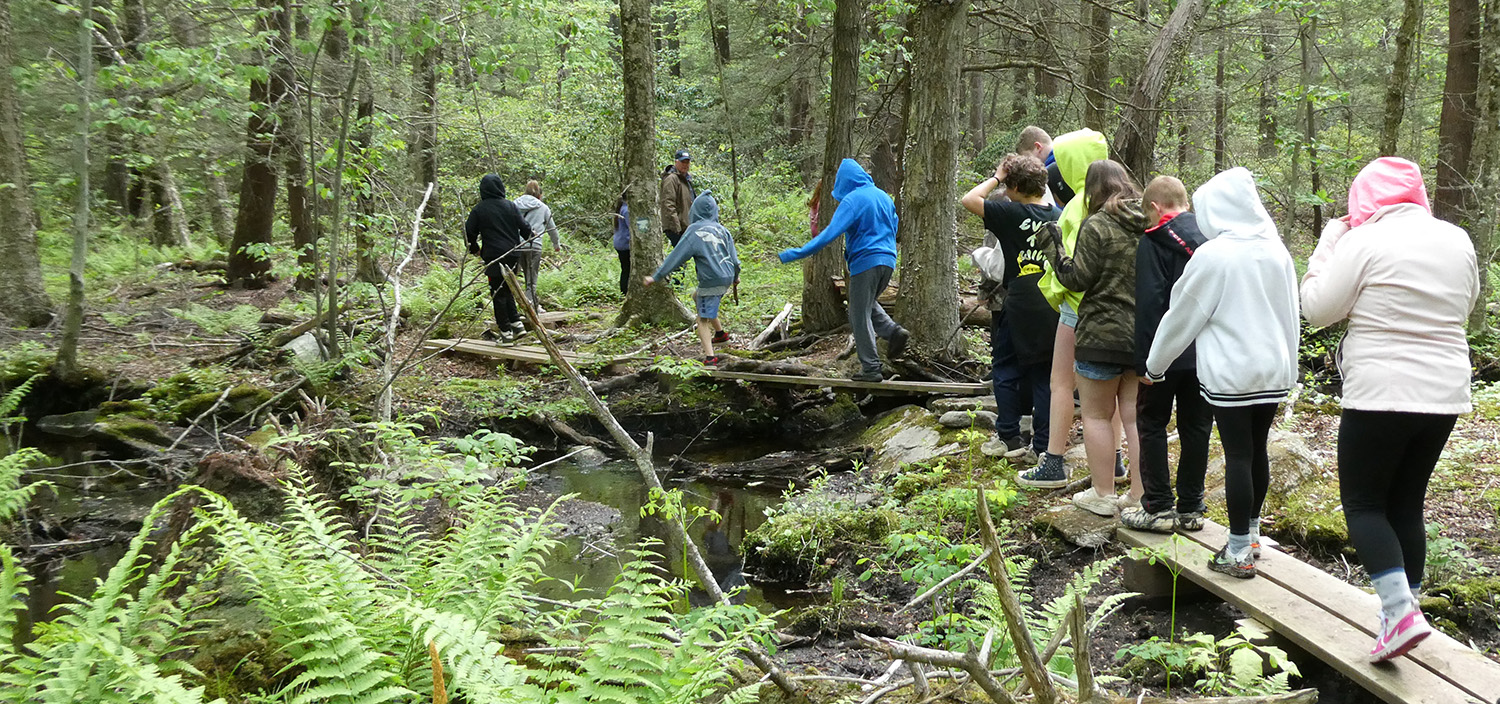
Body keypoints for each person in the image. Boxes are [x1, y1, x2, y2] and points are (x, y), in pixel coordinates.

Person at [1301, 157, 1478, 662]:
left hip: (1381, 390)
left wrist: (1329, 243)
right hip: (1444, 392)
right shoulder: (1457, 238)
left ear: (1364, 200)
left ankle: (1399, 613)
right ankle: (1403, 618)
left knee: (1363, 504)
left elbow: (1315, 307)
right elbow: (1464, 304)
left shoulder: (1363, 240)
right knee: (1406, 503)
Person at [1145, 167, 1299, 579]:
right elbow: (1291, 316)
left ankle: (1236, 552)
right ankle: (1250, 536)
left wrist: (1155, 366)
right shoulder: (1277, 251)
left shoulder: (1215, 255)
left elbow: (1183, 317)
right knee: (1257, 450)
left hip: (1234, 373)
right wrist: (1293, 367)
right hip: (1274, 370)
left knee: (1238, 455)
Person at [1042, 161, 1146, 516]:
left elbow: (1077, 279)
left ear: (1092, 189)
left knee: (1097, 416)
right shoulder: (1149, 223)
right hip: (1141, 337)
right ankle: (1139, 494)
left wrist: (1054, 249)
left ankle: (1102, 494)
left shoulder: (1098, 223)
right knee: (1134, 418)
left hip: (1100, 335)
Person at [1031, 128, 1129, 490]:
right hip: (1119, 315)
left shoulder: (1077, 207)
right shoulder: (1122, 206)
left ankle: (1053, 459)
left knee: (1061, 384)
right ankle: (1114, 460)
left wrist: (1056, 294)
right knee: (1115, 397)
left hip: (1077, 311)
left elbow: (1070, 268)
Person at [1120, 176, 1213, 533]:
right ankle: (1191, 507)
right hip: (1204, 354)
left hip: (1165, 351)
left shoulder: (1153, 242)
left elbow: (1150, 304)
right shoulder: (1212, 239)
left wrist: (1146, 361)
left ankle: (1158, 507)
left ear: (1156, 208)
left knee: (1152, 424)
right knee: (1197, 427)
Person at [961, 154, 1060, 469]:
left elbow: (969, 199)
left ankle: (1008, 437)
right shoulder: (1059, 215)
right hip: (1052, 302)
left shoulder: (1009, 211)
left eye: (1007, 186)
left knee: (1004, 367)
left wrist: (997, 176)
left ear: (1014, 185)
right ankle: (1042, 445)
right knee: (1045, 374)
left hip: (1017, 299)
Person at [779, 159, 909, 382]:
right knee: (866, 304)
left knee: (857, 314)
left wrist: (798, 253)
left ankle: (871, 368)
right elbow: (895, 225)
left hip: (865, 261)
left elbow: (830, 233)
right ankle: (893, 331)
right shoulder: (883, 197)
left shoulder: (853, 200)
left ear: (845, 182)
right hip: (888, 261)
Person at [644, 191, 741, 364]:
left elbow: (676, 257)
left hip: (711, 278)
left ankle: (710, 358)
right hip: (726, 277)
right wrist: (736, 277)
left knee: (701, 319)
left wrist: (656, 277)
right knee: (698, 296)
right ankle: (720, 334)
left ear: (694, 211)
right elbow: (735, 260)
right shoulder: (723, 230)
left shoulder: (694, 231)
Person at [464, 174, 534, 342]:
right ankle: (517, 324)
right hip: (513, 254)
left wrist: (475, 249)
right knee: (508, 288)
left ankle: (505, 333)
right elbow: (524, 228)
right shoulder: (510, 206)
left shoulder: (479, 209)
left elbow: (469, 232)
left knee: (498, 292)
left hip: (494, 255)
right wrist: (530, 235)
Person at [513, 180, 563, 310]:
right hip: (534, 246)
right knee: (531, 279)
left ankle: (525, 305)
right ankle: (530, 308)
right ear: (539, 193)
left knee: (514, 277)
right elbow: (552, 228)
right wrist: (556, 244)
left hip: (516, 246)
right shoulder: (542, 207)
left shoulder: (514, 205)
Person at [660, 149, 696, 247]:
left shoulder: (686, 179)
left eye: (687, 162)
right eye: (682, 162)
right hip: (677, 228)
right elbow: (668, 204)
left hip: (686, 226)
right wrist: (676, 228)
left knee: (685, 258)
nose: (685, 164)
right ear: (676, 162)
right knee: (680, 258)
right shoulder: (671, 179)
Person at [613, 194, 631, 295]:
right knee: (627, 269)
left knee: (625, 269)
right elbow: (631, 227)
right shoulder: (627, 210)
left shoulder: (621, 209)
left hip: (619, 243)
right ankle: (625, 292)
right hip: (625, 244)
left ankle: (623, 292)